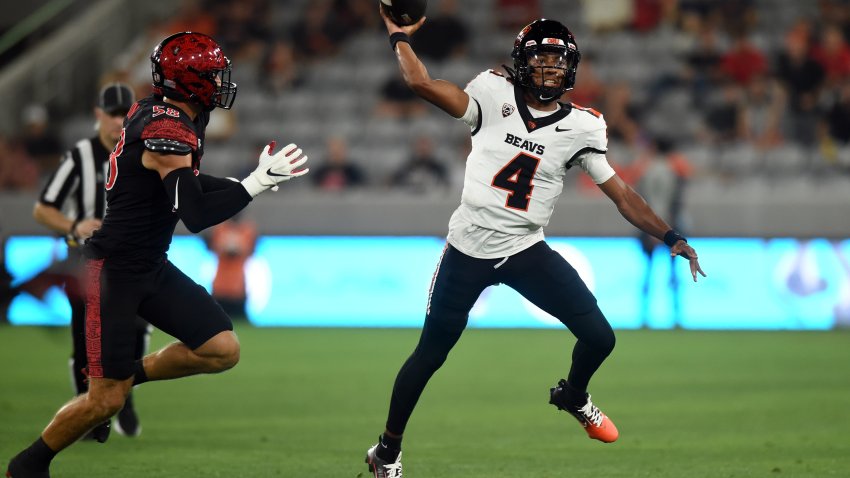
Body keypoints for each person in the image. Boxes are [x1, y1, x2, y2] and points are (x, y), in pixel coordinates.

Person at [365, 13, 706, 477]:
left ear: (571, 68)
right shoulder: (490, 92)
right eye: (540, 60)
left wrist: (671, 235)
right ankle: (387, 451)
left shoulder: (583, 127)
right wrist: (399, 35)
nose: (549, 70)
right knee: (430, 355)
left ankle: (574, 396)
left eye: (556, 61)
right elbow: (421, 82)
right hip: (467, 249)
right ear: (521, 63)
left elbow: (622, 194)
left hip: (525, 249)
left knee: (600, 337)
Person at [6, 31, 309, 478]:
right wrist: (254, 186)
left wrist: (252, 179)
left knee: (222, 348)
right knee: (104, 401)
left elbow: (192, 184)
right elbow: (195, 211)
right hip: (111, 273)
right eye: (211, 75)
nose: (221, 82)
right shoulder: (165, 129)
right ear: (189, 80)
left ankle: (125, 371)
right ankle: (27, 466)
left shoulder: (172, 113)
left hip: (149, 264)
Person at [32, 83, 149, 441]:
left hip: (129, 262)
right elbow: (42, 208)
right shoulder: (80, 156)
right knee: (86, 339)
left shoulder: (140, 151)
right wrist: (73, 225)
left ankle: (123, 398)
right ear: (98, 115)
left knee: (134, 334)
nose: (118, 121)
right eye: (112, 114)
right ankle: (89, 411)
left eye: (124, 114)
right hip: (84, 260)